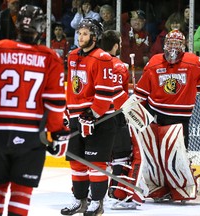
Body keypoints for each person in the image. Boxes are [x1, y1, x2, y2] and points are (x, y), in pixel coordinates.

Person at [0, 4, 69, 215]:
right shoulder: (51, 58)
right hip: (30, 136)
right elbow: (55, 104)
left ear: (18, 25)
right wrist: (58, 133)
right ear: (41, 28)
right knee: (22, 193)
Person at [134, 29, 200, 202]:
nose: (172, 47)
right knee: (155, 156)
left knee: (178, 155)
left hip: (180, 118)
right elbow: (141, 92)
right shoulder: (154, 62)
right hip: (155, 115)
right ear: (165, 44)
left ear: (183, 46)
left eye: (176, 44)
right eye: (169, 43)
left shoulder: (192, 62)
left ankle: (181, 189)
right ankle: (158, 188)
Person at [61, 18, 115, 215]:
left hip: (99, 120)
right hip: (77, 117)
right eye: (79, 33)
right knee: (76, 161)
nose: (80, 36)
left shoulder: (103, 58)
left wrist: (92, 115)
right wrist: (67, 112)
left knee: (95, 163)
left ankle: (97, 203)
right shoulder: (73, 55)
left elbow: (105, 92)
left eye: (85, 33)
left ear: (94, 36)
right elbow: (71, 88)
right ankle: (80, 200)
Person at [100, 30, 146, 209]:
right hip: (116, 116)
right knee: (121, 155)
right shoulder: (119, 66)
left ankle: (90, 193)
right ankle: (116, 193)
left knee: (97, 156)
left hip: (96, 116)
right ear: (116, 45)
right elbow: (119, 94)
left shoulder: (93, 62)